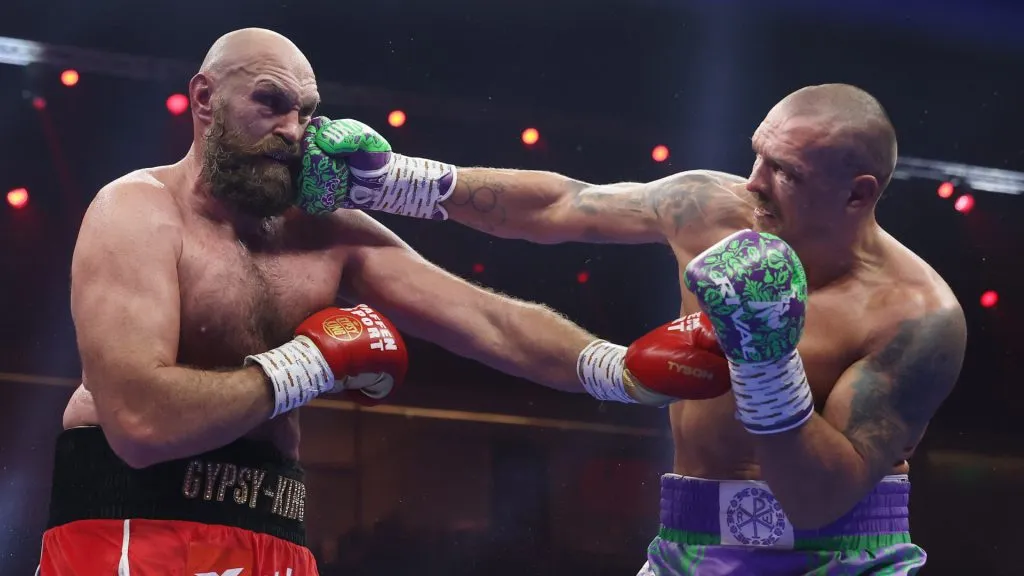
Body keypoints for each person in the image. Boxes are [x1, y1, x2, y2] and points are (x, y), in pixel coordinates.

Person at [41, 28, 719, 576]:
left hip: (275, 535)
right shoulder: (136, 212)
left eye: (305, 112)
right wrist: (308, 364)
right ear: (206, 99)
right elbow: (137, 426)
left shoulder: (327, 233)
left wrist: (619, 370)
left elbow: (488, 319)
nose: (292, 130)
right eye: (270, 102)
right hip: (129, 527)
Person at [302, 83, 967, 574]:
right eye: (757, 156)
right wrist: (391, 183)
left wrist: (765, 359)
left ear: (860, 194)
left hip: (840, 558)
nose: (754, 184)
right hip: (689, 546)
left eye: (785, 173)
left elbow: (818, 498)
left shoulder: (916, 317)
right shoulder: (711, 207)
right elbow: (562, 204)